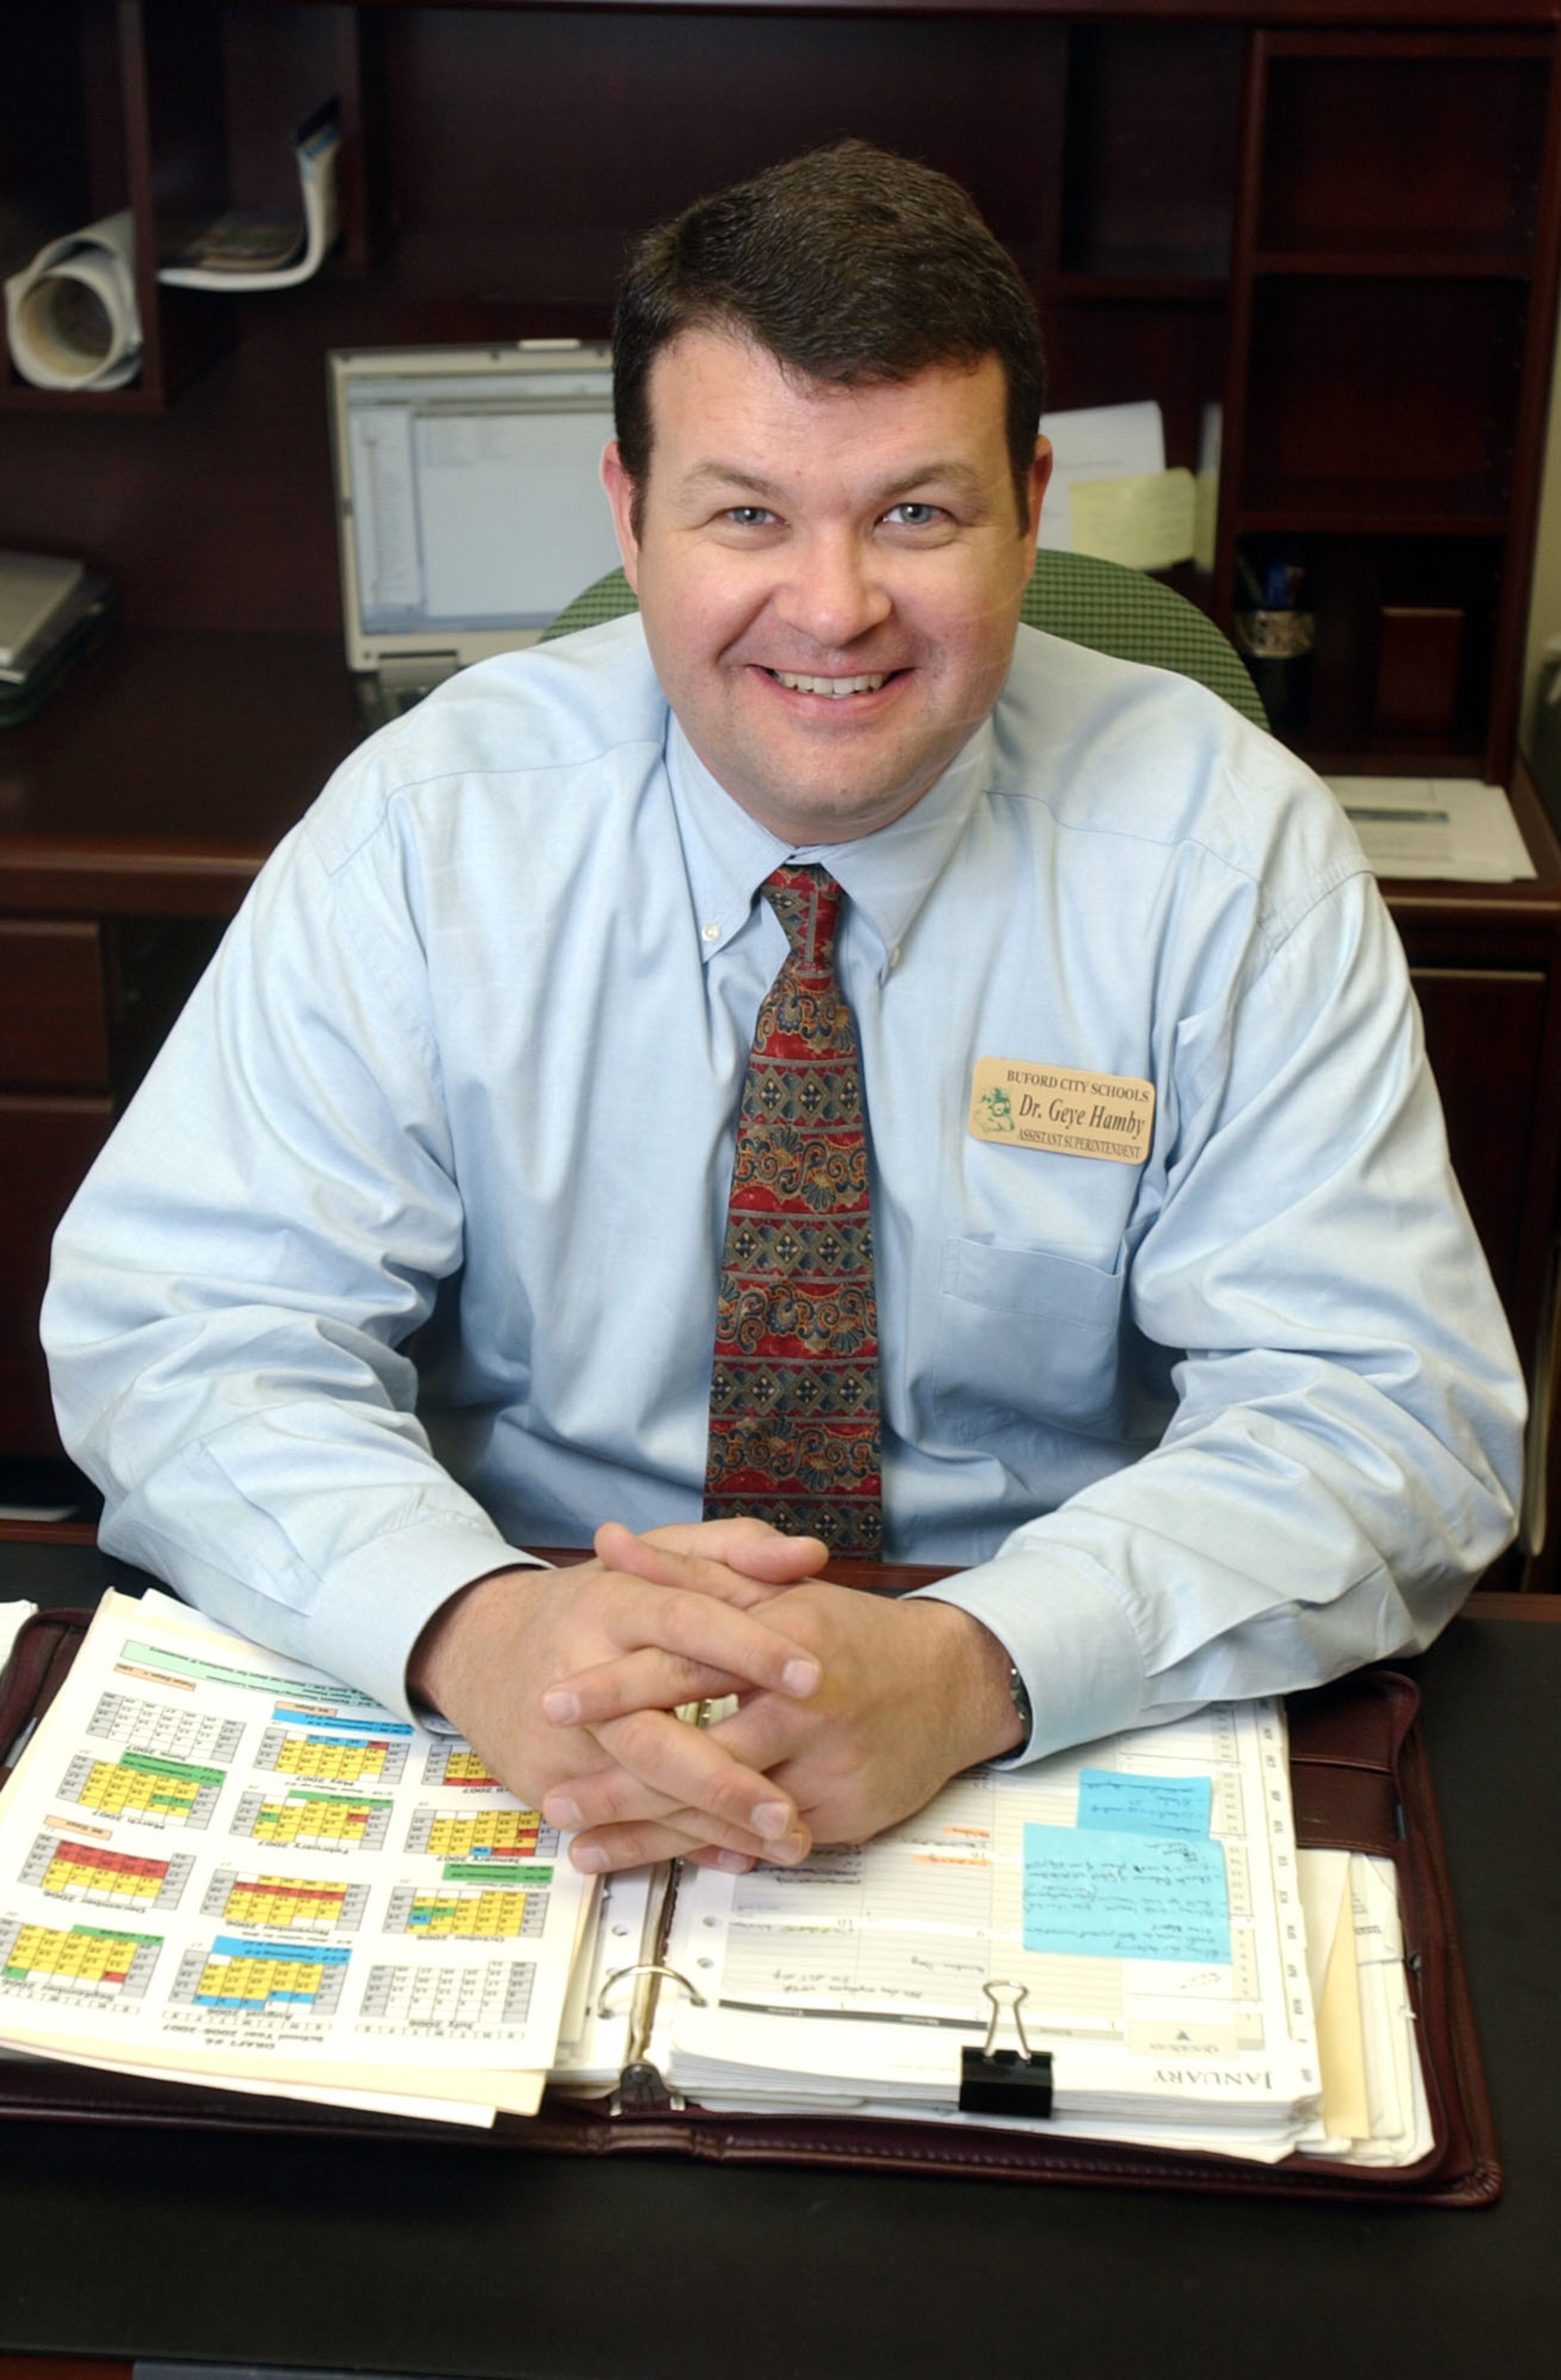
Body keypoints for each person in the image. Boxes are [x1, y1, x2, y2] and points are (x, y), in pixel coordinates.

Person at [43, 144, 1524, 1882]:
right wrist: (476, 1628)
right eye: (748, 512)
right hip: (527, 1688)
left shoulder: (1227, 848)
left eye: (916, 512)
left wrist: (974, 1664)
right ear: (629, 510)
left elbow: (1384, 1412)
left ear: (1031, 505)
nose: (833, 610)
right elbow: (187, 1330)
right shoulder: (428, 828)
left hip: (1031, 1692)